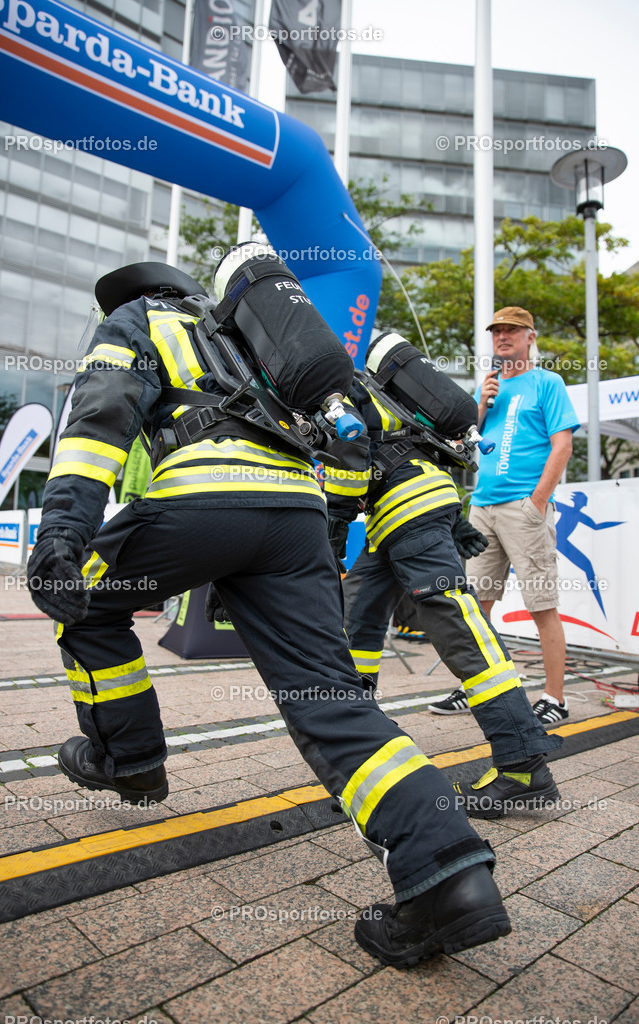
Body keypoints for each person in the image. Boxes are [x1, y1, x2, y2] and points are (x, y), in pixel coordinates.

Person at [26, 251, 511, 969]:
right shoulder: (252, 335)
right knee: (332, 698)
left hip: (199, 504)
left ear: (132, 296)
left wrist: (63, 532)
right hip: (293, 519)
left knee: (83, 605)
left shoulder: (139, 320)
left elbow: (99, 419)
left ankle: (129, 761)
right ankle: (447, 871)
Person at [326, 329, 563, 820]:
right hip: (399, 523)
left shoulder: (345, 392)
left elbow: (351, 465)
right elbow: (431, 453)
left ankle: (522, 766)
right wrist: (452, 518)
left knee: (460, 631)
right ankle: (362, 752)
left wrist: (331, 537)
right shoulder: (390, 391)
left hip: (406, 518)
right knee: (359, 626)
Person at [466, 307, 580, 725]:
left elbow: (562, 445)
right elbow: (469, 442)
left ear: (530, 336)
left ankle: (555, 697)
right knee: (476, 606)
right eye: (497, 331)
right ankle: (475, 687)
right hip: (482, 506)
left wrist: (537, 502)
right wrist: (481, 404)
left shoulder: (548, 382)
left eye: (511, 330)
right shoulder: (491, 388)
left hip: (522, 508)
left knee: (541, 605)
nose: (502, 337)